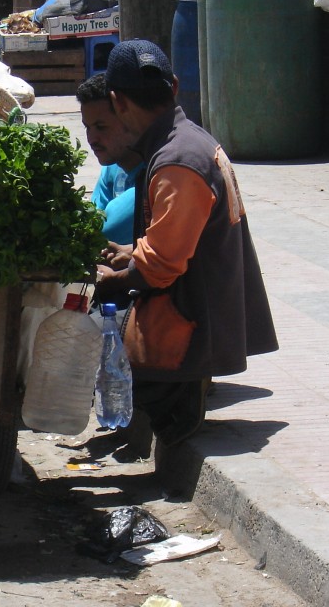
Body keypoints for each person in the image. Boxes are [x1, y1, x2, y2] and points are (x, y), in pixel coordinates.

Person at [94, 39, 278, 447]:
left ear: (117, 101)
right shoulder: (184, 141)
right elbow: (174, 240)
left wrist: (110, 279)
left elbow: (159, 267)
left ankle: (178, 401)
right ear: (174, 87)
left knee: (95, 331)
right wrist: (131, 254)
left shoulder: (178, 159)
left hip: (191, 326)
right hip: (197, 308)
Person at [76, 73, 142, 246]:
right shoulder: (113, 165)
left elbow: (102, 231)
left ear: (129, 118)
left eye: (101, 127)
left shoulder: (153, 175)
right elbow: (93, 216)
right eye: (87, 127)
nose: (91, 139)